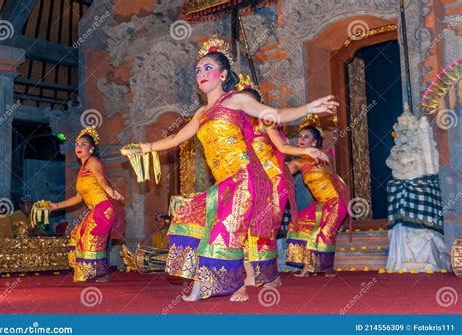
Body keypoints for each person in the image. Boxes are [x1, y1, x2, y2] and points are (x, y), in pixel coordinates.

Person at [128, 36, 338, 301]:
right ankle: (213, 281)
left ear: (223, 73)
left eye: (207, 68)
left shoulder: (236, 100)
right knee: (187, 214)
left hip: (244, 178)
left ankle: (226, 284)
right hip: (225, 183)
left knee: (227, 232)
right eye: (197, 70)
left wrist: (310, 107)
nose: (201, 74)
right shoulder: (201, 113)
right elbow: (175, 139)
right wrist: (145, 148)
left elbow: (272, 114)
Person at [237, 78, 330, 288]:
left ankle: (268, 275)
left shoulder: (265, 121)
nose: (244, 108)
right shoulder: (239, 128)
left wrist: (306, 150)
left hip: (272, 180)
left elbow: (283, 147)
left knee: (264, 228)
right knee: (244, 225)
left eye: (247, 103)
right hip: (251, 179)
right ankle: (251, 274)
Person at [48, 126, 124, 282]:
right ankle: (101, 273)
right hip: (94, 210)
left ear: (91, 149)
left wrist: (111, 191)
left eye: (83, 144)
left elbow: (101, 179)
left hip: (103, 208)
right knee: (76, 235)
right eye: (77, 144)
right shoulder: (81, 170)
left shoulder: (93, 162)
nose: (79, 147)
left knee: (91, 240)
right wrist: (55, 206)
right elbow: (77, 198)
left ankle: (98, 273)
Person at [286, 117, 350, 277]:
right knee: (299, 224)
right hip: (323, 203)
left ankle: (324, 268)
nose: (301, 139)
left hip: (337, 202)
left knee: (324, 233)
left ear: (314, 143)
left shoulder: (322, 156)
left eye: (306, 137)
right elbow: (280, 174)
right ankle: (308, 268)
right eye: (300, 137)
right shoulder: (297, 163)